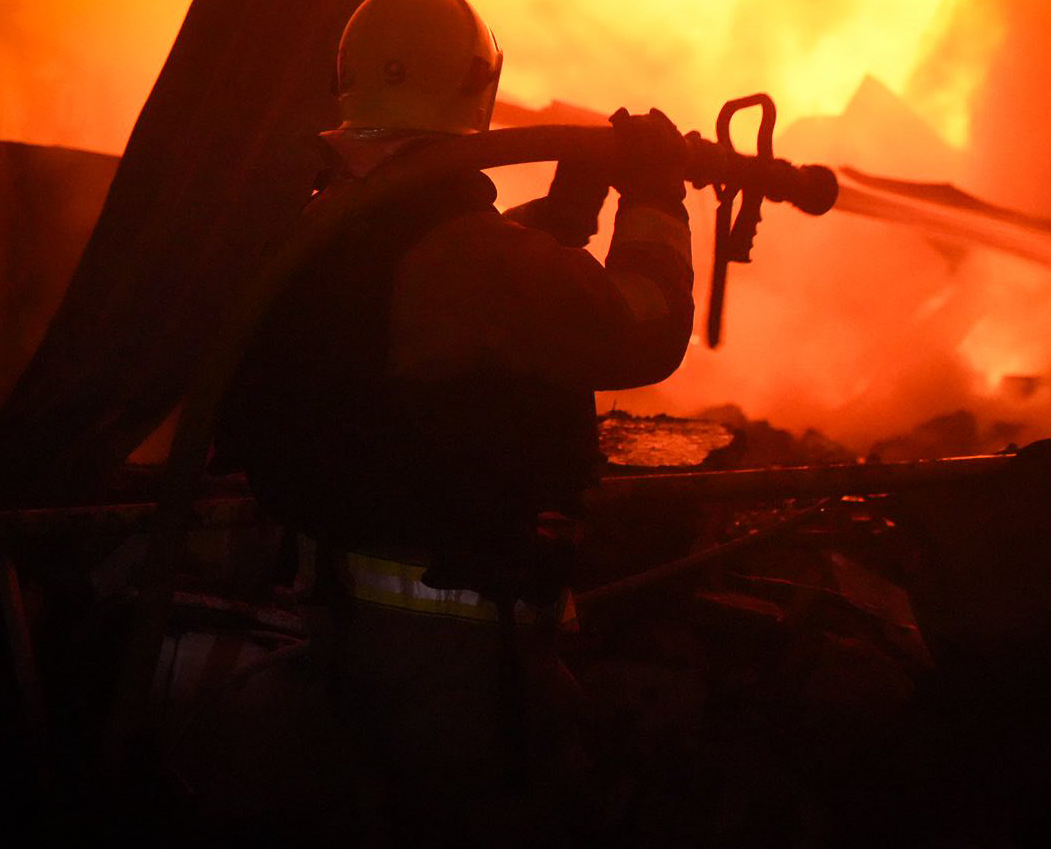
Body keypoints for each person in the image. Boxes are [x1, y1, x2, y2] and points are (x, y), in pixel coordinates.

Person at [215, 0, 694, 841]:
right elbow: (641, 326)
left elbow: (459, 306)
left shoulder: (336, 219)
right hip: (453, 649)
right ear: (477, 86)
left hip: (346, 611)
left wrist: (567, 211)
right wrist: (656, 197)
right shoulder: (466, 256)